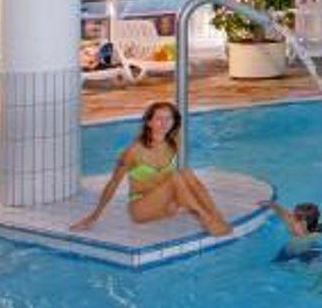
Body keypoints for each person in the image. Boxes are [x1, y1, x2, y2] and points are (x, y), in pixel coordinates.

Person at [71, 101, 231, 238]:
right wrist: (94, 216)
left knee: (186, 172)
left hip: (168, 207)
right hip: (142, 208)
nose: (164, 123)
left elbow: (193, 183)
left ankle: (215, 215)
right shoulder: (133, 151)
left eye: (169, 118)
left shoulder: (174, 143)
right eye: (159, 119)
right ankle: (205, 218)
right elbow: (113, 183)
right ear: (149, 122)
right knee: (176, 176)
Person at [265, 197, 322, 263]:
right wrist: (270, 203)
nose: (292, 220)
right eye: (294, 216)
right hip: (290, 250)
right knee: (276, 263)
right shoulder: (292, 222)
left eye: (296, 218)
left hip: (309, 251)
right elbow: (281, 210)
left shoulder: (318, 230)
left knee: (317, 270)